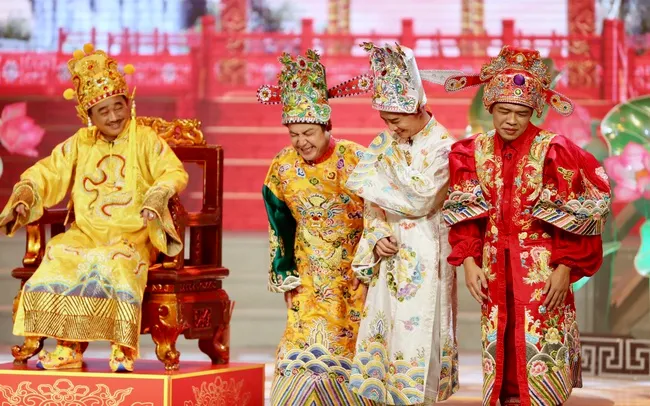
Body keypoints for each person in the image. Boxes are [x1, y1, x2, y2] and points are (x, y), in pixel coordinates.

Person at [0, 43, 188, 373]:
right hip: (85, 234)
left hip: (132, 236)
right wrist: (26, 193)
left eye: (118, 106)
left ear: (128, 104)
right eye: (103, 111)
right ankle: (67, 346)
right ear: (90, 115)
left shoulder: (145, 139)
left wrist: (158, 195)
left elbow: (173, 172)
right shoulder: (80, 143)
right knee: (59, 255)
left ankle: (123, 348)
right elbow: (47, 172)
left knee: (117, 261)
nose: (114, 116)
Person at [442, 45, 611, 406]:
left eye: (521, 113)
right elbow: (466, 214)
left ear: (534, 111)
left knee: (540, 338)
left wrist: (565, 268)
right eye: (504, 111)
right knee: (499, 338)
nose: (511, 120)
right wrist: (469, 261)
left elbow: (583, 212)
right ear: (490, 106)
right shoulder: (472, 152)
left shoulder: (554, 150)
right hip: (492, 265)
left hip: (543, 266)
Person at [257, 49, 376, 405]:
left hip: (352, 272)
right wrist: (284, 270)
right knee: (300, 341)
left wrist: (368, 263)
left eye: (308, 132)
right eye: (294, 134)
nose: (301, 142)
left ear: (327, 127)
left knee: (352, 341)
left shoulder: (355, 158)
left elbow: (379, 214)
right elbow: (278, 220)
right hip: (308, 271)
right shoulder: (283, 165)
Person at [346, 42, 460, 405]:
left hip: (426, 253)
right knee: (384, 336)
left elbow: (421, 198)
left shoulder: (444, 146)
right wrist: (377, 234)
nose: (391, 129)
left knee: (418, 339)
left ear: (418, 108)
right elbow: (369, 198)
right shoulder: (385, 141)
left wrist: (383, 173)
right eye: (386, 121)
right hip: (389, 254)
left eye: (396, 121)